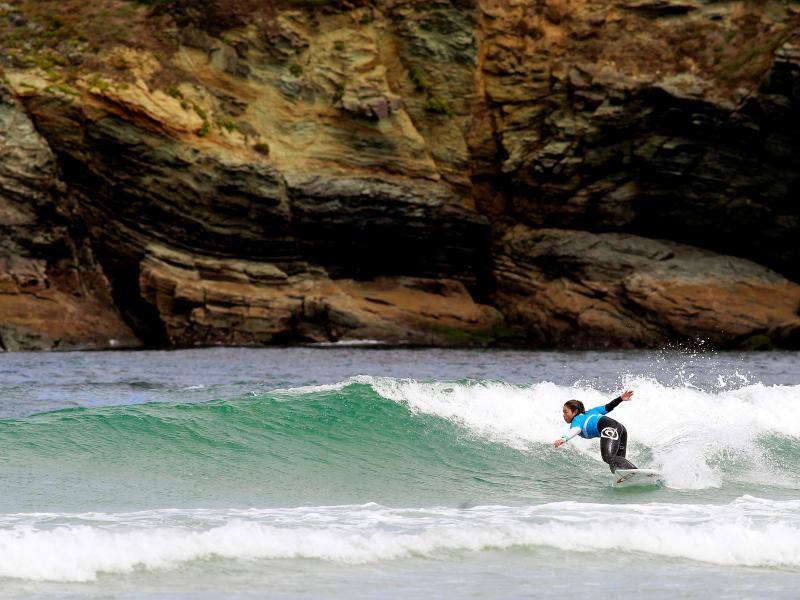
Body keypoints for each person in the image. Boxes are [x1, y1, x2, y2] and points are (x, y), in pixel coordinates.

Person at [553, 390, 637, 472]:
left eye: (566, 412)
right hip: (621, 429)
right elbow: (608, 407)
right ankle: (629, 477)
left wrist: (564, 439)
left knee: (608, 457)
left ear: (575, 412)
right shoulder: (592, 411)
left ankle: (636, 471)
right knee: (616, 466)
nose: (563, 415)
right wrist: (620, 398)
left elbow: (576, 429)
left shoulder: (577, 419)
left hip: (610, 429)